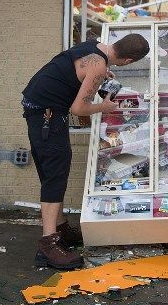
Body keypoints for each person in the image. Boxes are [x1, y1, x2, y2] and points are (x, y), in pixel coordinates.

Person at [21, 33, 149, 269]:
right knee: (55, 176)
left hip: (39, 108)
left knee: (53, 173)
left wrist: (98, 76)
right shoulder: (98, 67)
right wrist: (105, 106)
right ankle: (48, 247)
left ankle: (60, 230)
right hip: (47, 115)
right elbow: (79, 108)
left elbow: (77, 70)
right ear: (129, 61)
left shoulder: (94, 47)